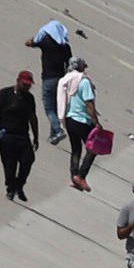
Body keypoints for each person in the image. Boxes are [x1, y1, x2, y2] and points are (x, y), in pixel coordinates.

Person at [0, 72, 40, 201]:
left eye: (29, 85)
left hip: (23, 135)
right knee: (9, 164)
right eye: (24, 84)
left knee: (28, 160)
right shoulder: (4, 93)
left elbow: (32, 118)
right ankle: (10, 189)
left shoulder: (30, 98)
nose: (27, 88)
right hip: (6, 135)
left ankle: (19, 185)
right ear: (18, 81)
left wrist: (36, 136)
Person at [26, 20, 72, 144]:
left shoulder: (45, 42)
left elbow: (29, 43)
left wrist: (38, 37)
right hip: (61, 79)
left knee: (49, 108)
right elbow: (69, 64)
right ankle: (53, 135)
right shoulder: (65, 46)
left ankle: (58, 130)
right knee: (56, 106)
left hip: (48, 78)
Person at [58, 57, 99, 190]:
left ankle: (74, 175)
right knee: (92, 149)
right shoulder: (84, 81)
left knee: (76, 149)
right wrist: (96, 122)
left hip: (70, 119)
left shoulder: (67, 79)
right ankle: (81, 176)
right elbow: (89, 104)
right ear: (80, 67)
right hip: (82, 121)